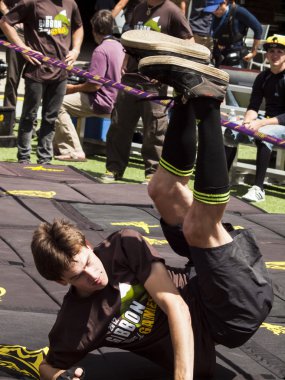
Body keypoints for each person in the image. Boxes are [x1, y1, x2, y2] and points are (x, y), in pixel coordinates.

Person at [31, 46, 273, 380]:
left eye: (88, 262)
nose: (92, 275)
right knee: (197, 230)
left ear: (88, 245)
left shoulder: (120, 248)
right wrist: (59, 378)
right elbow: (49, 366)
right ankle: (204, 99)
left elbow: (175, 305)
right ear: (62, 282)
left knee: (160, 190)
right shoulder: (77, 321)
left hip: (216, 285)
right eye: (77, 277)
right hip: (232, 315)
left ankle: (192, 98)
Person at [104, 0, 194, 183]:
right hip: (131, 77)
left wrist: (167, 69)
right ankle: (114, 168)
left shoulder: (172, 11)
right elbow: (132, 37)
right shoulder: (139, 8)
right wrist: (126, 58)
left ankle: (152, 172)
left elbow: (189, 43)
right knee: (119, 125)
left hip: (155, 82)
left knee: (154, 130)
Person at [0, 0, 84, 165]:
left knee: (51, 117)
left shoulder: (71, 3)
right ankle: (23, 157)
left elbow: (79, 26)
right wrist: (22, 47)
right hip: (36, 70)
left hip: (60, 72)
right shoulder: (32, 2)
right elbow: (5, 22)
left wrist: (76, 50)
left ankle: (44, 158)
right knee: (29, 116)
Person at [53, 10, 125, 162]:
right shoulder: (121, 47)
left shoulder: (101, 50)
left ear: (94, 29)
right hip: (119, 100)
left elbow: (94, 85)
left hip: (103, 101)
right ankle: (59, 145)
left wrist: (72, 88)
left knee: (58, 104)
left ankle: (74, 150)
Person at [224, 35, 285, 202]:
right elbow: (253, 106)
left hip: (278, 124)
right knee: (232, 130)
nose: (275, 55)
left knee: (264, 133)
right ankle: (222, 182)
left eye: (280, 51)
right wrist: (247, 122)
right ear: (266, 55)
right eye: (271, 51)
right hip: (266, 120)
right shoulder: (263, 77)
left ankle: (258, 188)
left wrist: (260, 123)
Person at [203, 0, 262, 68]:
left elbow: (258, 28)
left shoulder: (237, 11)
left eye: (215, 8)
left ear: (224, 3)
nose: (214, 12)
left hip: (235, 54)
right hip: (219, 54)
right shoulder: (215, 15)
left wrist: (253, 52)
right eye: (211, 10)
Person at [0, 0, 26, 127]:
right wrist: (10, 16)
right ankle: (8, 119)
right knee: (12, 78)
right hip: (17, 34)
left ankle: (28, 121)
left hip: (39, 35)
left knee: (36, 81)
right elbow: (2, 2)